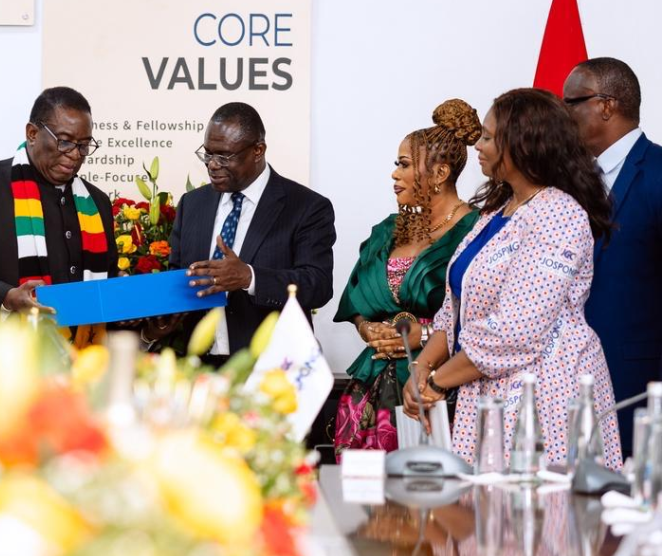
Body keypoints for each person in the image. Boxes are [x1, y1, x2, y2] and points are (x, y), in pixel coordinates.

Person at [404, 88, 622, 470]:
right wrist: (420, 367)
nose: (478, 145)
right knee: (483, 504)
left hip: (542, 396)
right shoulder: (497, 211)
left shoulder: (558, 214)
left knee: (532, 505)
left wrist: (437, 382)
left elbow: (515, 331)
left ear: (522, 145)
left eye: (488, 137)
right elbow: (454, 309)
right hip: (487, 388)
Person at [0, 87, 118, 396]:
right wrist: (6, 297)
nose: (76, 155)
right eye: (65, 141)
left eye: (84, 145)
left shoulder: (97, 202)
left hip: (79, 384)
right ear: (32, 133)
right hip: (0, 382)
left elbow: (106, 286)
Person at [333, 99, 481, 459]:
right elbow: (356, 300)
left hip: (435, 391)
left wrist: (425, 335)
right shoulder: (388, 231)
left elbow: (486, 319)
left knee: (426, 487)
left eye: (403, 164)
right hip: (370, 390)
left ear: (440, 173)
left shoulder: (476, 232)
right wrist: (369, 330)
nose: (394, 174)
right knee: (360, 490)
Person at [167, 102, 335, 362]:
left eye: (224, 156)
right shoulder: (192, 204)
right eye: (208, 154)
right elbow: (177, 276)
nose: (213, 164)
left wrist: (250, 277)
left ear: (258, 150)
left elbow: (318, 285)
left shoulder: (306, 207)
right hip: (199, 366)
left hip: (270, 367)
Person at [563, 58, 662, 455]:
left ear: (606, 105)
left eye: (571, 103)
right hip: (567, 385)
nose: (564, 114)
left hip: (637, 385)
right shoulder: (567, 183)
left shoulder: (657, 174)